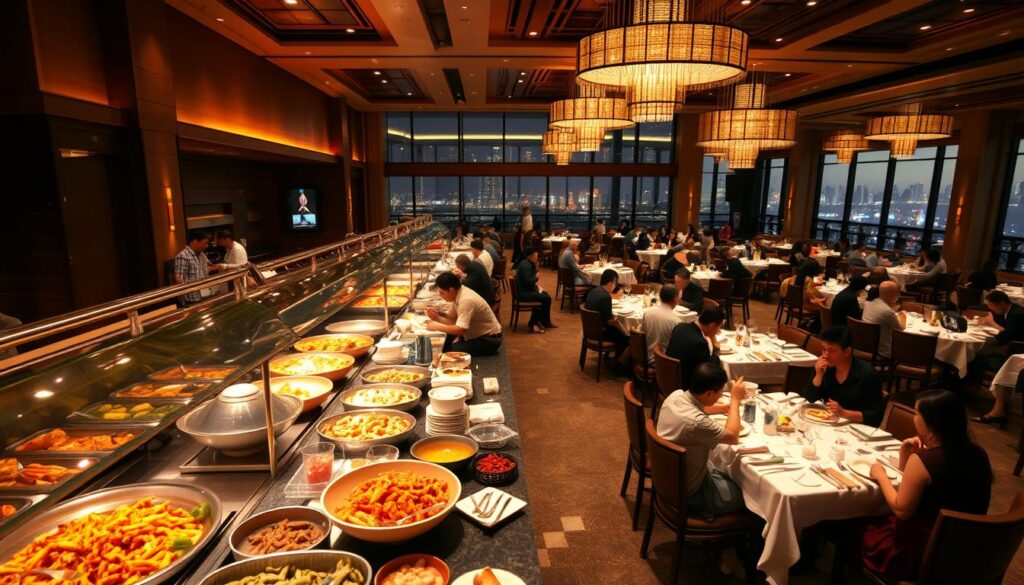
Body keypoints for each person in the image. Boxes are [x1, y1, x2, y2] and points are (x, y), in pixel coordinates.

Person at [855, 390, 992, 581]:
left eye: (917, 413)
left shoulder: (924, 460)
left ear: (931, 422)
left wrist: (880, 475)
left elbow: (902, 510)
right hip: (965, 546)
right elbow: (925, 486)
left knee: (855, 523)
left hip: (924, 551)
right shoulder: (978, 454)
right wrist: (906, 455)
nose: (914, 416)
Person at [656, 364, 747, 517]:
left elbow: (700, 407)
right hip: (690, 491)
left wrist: (726, 407)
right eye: (720, 393)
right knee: (749, 498)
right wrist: (735, 400)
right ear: (710, 394)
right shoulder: (697, 423)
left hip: (668, 479)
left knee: (728, 472)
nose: (720, 396)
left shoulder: (676, 395)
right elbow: (733, 436)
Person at [804, 326, 885, 426]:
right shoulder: (826, 367)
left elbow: (876, 416)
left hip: (856, 429)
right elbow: (809, 401)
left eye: (831, 351)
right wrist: (818, 375)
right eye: (824, 349)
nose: (825, 355)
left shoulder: (867, 374)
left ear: (847, 351)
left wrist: (844, 413)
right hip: (828, 424)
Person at [424, 272, 502, 357]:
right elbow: (452, 318)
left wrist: (437, 326)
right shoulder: (459, 292)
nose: (440, 295)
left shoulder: (466, 300)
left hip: (489, 340)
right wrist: (437, 317)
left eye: (442, 293)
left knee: (448, 351)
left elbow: (460, 330)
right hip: (477, 336)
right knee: (443, 345)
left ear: (451, 290)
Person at [666, 307, 726, 389]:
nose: (718, 331)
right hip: (684, 386)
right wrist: (716, 349)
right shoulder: (700, 343)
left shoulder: (680, 327)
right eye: (719, 327)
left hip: (667, 377)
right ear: (712, 326)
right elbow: (709, 370)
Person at [584, 269, 630, 354]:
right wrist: (621, 327)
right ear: (609, 283)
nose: (615, 285)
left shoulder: (593, 291)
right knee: (627, 336)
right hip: (601, 334)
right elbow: (609, 322)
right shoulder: (606, 297)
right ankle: (620, 361)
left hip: (590, 330)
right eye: (615, 282)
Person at [174, 230, 224, 306]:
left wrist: (220, 267)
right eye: (204, 243)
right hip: (192, 299)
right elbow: (179, 279)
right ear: (194, 241)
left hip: (205, 294)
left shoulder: (201, 254)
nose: (207, 246)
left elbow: (207, 267)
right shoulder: (183, 256)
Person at [862, 281, 907, 360]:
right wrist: (903, 316)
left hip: (866, 346)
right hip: (883, 352)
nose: (899, 295)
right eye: (898, 293)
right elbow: (900, 332)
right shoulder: (887, 312)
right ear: (892, 294)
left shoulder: (868, 302)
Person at [515, 248, 555, 334]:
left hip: (527, 290)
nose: (537, 257)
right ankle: (533, 324)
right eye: (536, 256)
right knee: (545, 298)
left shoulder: (527, 263)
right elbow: (528, 281)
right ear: (531, 256)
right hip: (524, 293)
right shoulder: (526, 265)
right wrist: (536, 277)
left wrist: (537, 287)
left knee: (546, 295)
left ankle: (544, 321)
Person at [643, 285, 679, 365]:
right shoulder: (676, 321)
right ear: (675, 299)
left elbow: (642, 334)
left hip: (644, 356)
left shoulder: (647, 313)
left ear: (659, 296)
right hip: (662, 362)